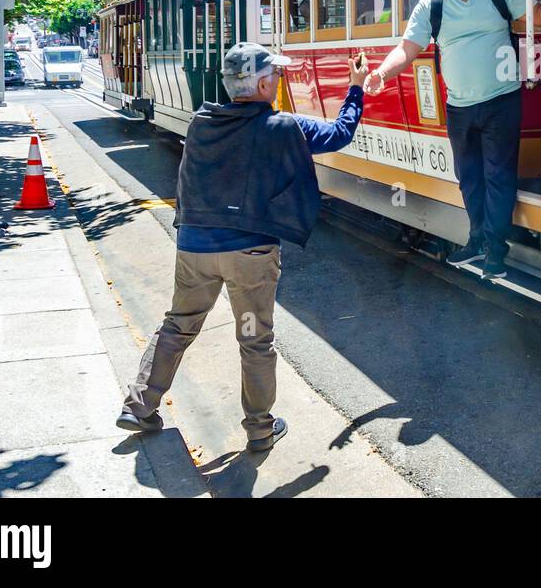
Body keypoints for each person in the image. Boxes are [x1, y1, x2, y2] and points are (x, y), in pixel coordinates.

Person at [118, 43, 367, 451]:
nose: (280, 82)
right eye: (278, 77)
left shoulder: (201, 122)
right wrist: (355, 87)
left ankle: (139, 406)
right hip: (249, 255)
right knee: (254, 338)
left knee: (178, 324)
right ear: (264, 82)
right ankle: (258, 428)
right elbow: (340, 134)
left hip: (195, 247)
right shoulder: (284, 128)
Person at [365, 0, 541, 281]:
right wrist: (381, 74)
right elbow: (407, 49)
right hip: (459, 107)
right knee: (469, 179)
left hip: (501, 101)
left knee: (498, 175)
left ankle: (495, 250)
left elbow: (537, 14)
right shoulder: (431, 4)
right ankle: (476, 238)